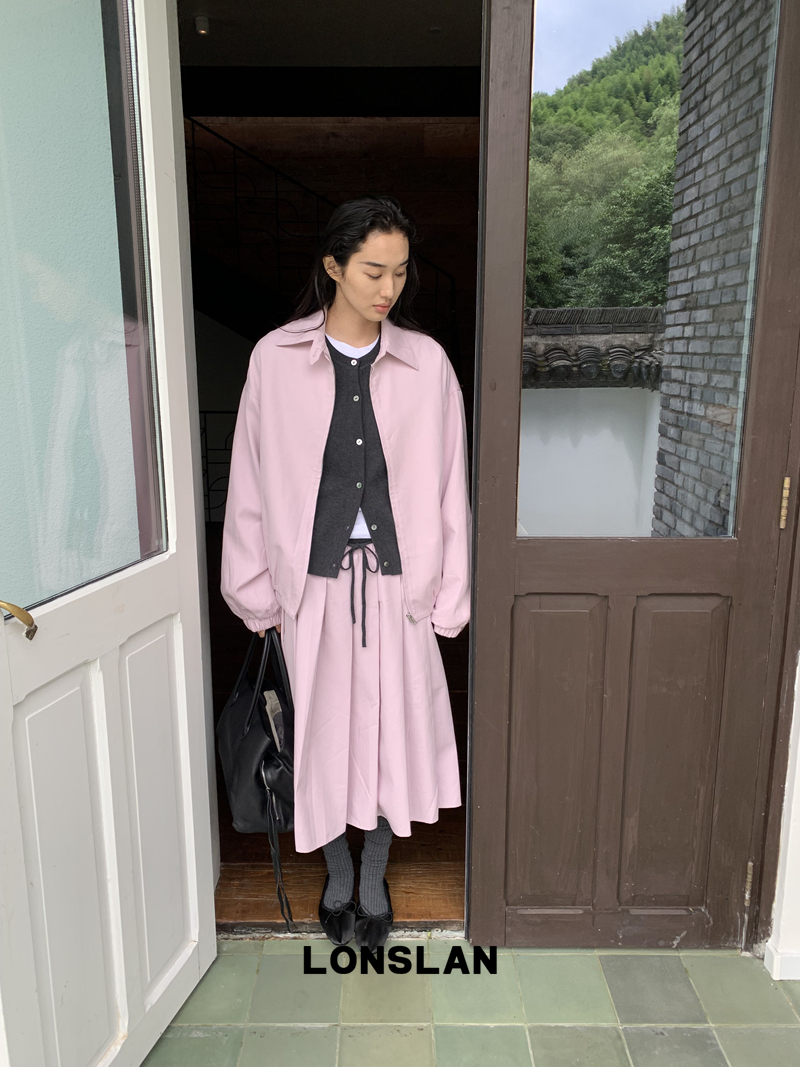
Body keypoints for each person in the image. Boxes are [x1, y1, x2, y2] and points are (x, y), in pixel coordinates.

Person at [220, 196, 471, 950]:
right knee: (319, 733)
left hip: (399, 589)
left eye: (400, 271)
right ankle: (335, 869)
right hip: (312, 590)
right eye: (371, 270)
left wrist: (449, 594)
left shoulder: (427, 364)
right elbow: (250, 482)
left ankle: (374, 873)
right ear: (333, 266)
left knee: (394, 732)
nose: (388, 287)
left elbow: (451, 487)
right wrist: (254, 592)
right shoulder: (275, 360)